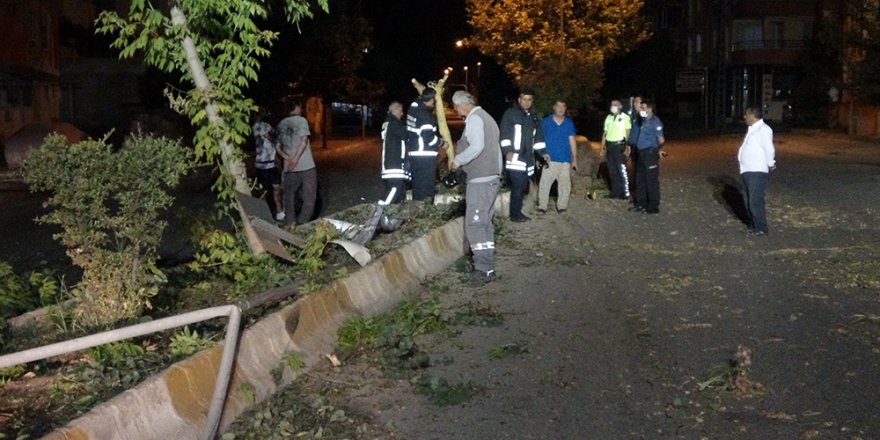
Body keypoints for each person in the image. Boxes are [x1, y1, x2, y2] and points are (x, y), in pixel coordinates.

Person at [449, 90, 503, 287]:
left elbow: (477, 146)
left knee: (475, 225)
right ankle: (488, 267)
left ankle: (482, 270)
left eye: (456, 108)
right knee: (485, 224)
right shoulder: (488, 118)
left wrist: (457, 161)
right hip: (490, 179)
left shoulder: (474, 119)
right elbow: (496, 151)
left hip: (480, 181)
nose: (457, 112)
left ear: (463, 104)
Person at [500, 88, 545, 222]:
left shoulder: (534, 116)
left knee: (523, 185)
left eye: (529, 99)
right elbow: (504, 134)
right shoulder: (511, 114)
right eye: (524, 99)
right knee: (518, 186)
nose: (526, 102)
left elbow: (538, 138)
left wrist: (543, 154)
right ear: (519, 100)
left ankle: (516, 211)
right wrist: (507, 150)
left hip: (528, 159)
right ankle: (515, 214)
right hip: (515, 156)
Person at [276, 102, 317, 226]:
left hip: (289, 168)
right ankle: (302, 223)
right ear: (296, 108)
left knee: (289, 197)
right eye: (300, 107)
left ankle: (289, 223)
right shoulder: (301, 121)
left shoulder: (281, 124)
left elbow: (278, 147)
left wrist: (287, 158)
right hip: (306, 165)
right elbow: (303, 141)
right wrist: (295, 158)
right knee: (309, 197)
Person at [738, 107, 776, 235]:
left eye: (746, 115)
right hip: (748, 170)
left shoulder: (763, 130)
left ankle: (761, 227)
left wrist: (771, 163)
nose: (744, 117)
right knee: (747, 199)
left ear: (753, 115)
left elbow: (769, 148)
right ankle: (754, 225)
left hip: (757, 171)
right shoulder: (753, 129)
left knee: (755, 200)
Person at [537, 100, 578, 213]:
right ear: (554, 107)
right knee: (545, 183)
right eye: (558, 106)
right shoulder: (546, 122)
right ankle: (542, 206)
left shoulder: (568, 123)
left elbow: (572, 141)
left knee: (565, 185)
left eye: (563, 107)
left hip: (565, 160)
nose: (561, 109)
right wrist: (540, 156)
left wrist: (574, 159)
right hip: (549, 159)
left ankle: (562, 206)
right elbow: (539, 140)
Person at [406, 88, 444, 203]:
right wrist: (442, 143)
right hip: (424, 157)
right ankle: (424, 209)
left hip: (414, 153)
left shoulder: (413, 108)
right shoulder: (426, 118)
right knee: (426, 187)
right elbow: (429, 139)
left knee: (417, 185)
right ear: (431, 100)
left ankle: (416, 209)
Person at [633, 99, 665, 214]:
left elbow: (661, 140)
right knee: (640, 179)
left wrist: (656, 149)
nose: (641, 110)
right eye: (641, 108)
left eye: (643, 108)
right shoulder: (644, 121)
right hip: (641, 153)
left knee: (651, 180)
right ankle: (642, 203)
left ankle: (653, 206)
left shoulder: (655, 122)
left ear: (650, 109)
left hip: (650, 153)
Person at [252, 110, 284, 221]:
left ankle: (270, 213)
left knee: (266, 189)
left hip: (261, 163)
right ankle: (279, 212)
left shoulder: (253, 127)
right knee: (276, 187)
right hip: (269, 162)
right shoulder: (265, 126)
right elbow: (271, 136)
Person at [379, 101, 409, 205]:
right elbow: (406, 134)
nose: (402, 113)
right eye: (400, 111)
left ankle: (394, 218)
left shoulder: (387, 123)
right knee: (394, 190)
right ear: (395, 110)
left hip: (391, 163)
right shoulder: (393, 123)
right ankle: (378, 212)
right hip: (394, 164)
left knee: (400, 194)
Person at [601, 99, 632, 200]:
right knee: (612, 170)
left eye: (615, 104)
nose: (613, 106)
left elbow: (628, 132)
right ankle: (615, 192)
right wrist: (602, 147)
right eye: (612, 104)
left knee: (621, 170)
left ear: (620, 106)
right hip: (610, 146)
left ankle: (625, 193)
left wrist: (628, 146)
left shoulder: (625, 117)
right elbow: (605, 133)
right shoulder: (608, 118)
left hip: (620, 146)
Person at [625, 95, 643, 207]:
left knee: (640, 173)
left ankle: (641, 199)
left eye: (637, 102)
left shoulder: (643, 116)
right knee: (635, 172)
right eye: (634, 102)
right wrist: (628, 145)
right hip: (633, 146)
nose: (635, 104)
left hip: (641, 148)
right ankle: (636, 197)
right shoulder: (634, 116)